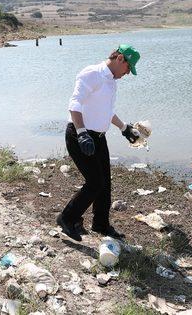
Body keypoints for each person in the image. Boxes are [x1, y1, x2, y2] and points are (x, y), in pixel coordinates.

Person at [56, 44, 141, 241]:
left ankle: (101, 224)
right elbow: (74, 103)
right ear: (120, 58)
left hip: (99, 138)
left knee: (104, 184)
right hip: (80, 135)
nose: (128, 73)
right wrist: (82, 133)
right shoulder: (91, 73)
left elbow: (107, 111)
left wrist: (124, 128)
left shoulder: (112, 81)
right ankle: (67, 218)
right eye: (129, 68)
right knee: (94, 183)